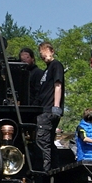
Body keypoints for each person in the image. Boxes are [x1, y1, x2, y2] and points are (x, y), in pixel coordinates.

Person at [32, 42, 64, 172]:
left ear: (51, 51)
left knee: (42, 143)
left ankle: (44, 172)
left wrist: (56, 107)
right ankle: (55, 170)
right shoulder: (46, 69)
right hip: (43, 110)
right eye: (40, 54)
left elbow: (58, 85)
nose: (42, 55)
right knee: (48, 142)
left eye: (44, 52)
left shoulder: (56, 65)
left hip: (49, 110)